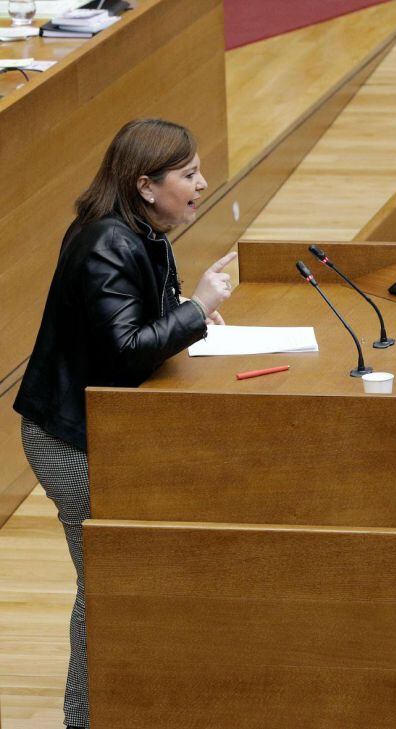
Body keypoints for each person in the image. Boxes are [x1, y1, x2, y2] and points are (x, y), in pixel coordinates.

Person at [13, 119, 236, 729]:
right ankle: (82, 719)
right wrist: (197, 309)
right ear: (145, 184)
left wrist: (187, 316)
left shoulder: (144, 232)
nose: (202, 183)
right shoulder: (105, 243)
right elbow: (126, 348)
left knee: (126, 574)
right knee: (105, 584)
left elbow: (140, 322)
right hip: (71, 438)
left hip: (112, 428)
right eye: (188, 174)